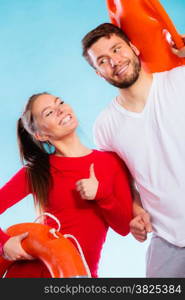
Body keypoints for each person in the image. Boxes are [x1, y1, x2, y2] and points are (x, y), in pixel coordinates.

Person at [81, 22, 185, 277]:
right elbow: (122, 183)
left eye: (117, 49)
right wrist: (135, 210)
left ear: (134, 48)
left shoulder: (180, 80)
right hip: (168, 240)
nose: (114, 61)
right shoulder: (105, 127)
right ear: (98, 73)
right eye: (103, 60)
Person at [0, 92, 133, 278]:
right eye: (49, 113)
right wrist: (3, 243)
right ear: (41, 135)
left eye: (60, 102)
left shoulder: (110, 162)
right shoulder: (36, 172)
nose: (60, 109)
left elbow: (124, 227)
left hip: (79, 274)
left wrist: (102, 194)